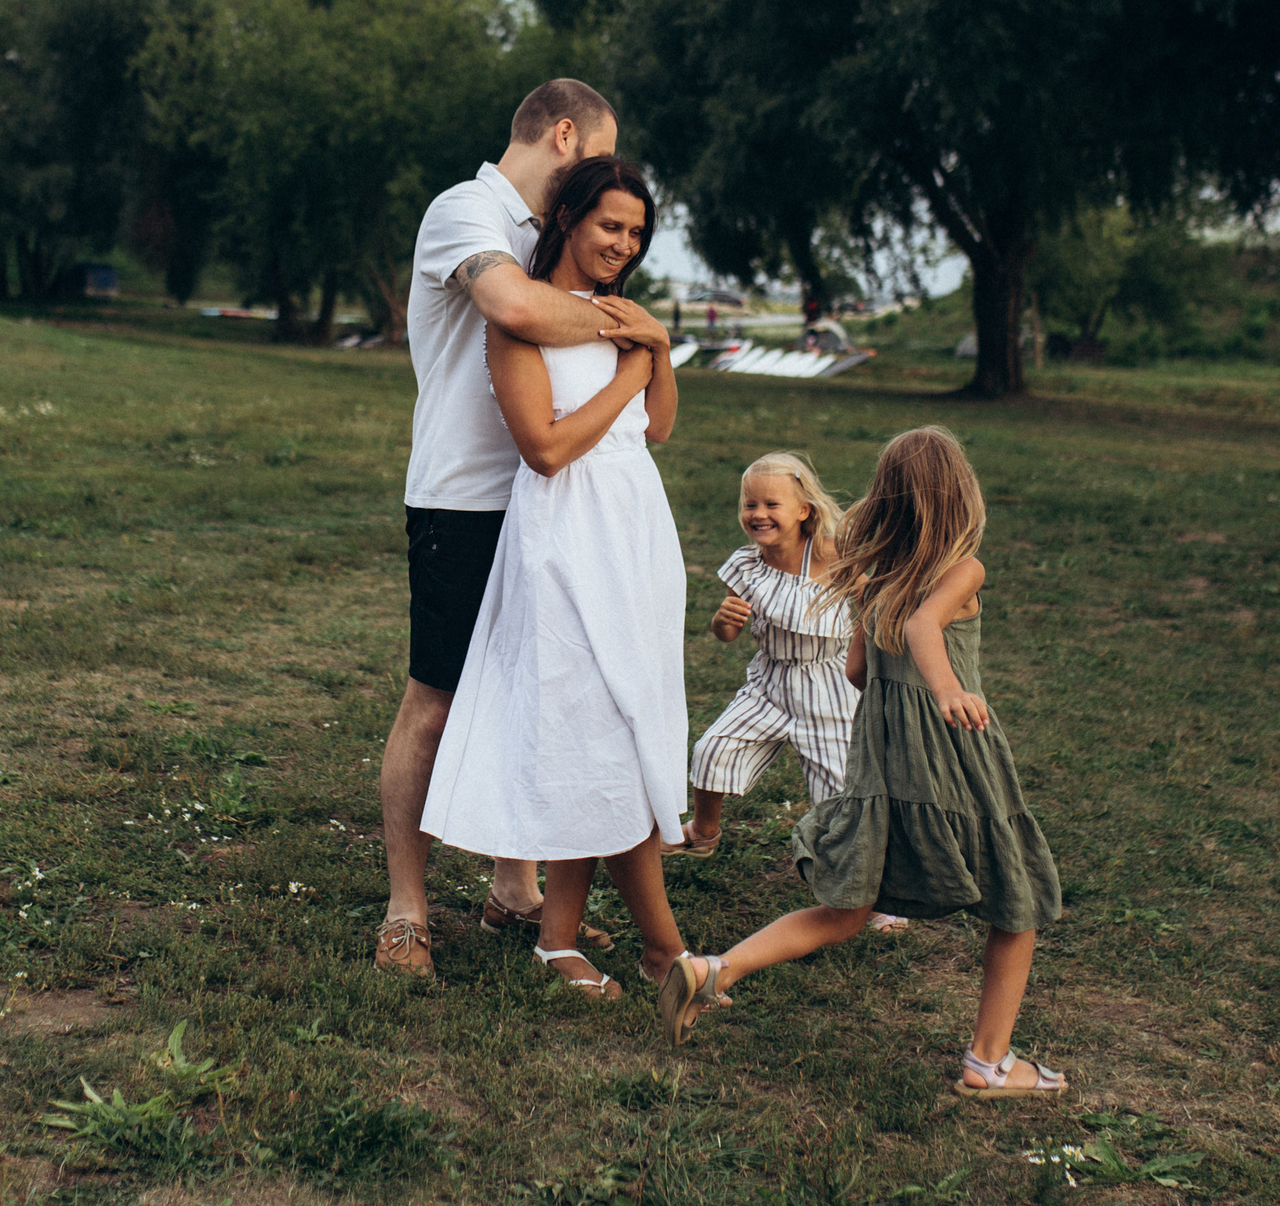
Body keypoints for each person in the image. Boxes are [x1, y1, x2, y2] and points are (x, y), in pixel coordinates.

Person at [659, 427, 1066, 1102]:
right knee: (1016, 899)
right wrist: (945, 690)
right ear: (960, 497)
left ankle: (713, 969)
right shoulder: (963, 567)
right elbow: (922, 629)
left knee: (849, 904)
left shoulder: (872, 578)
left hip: (881, 760)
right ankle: (990, 1061)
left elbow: (854, 669)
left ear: (887, 499)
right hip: (954, 752)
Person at [377, 79, 666, 978]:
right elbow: (518, 309)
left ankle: (515, 888)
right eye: (597, 161)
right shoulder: (465, 210)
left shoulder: (551, 238)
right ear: (566, 136)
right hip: (467, 497)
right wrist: (635, 329)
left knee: (548, 696)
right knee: (439, 699)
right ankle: (406, 910)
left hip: (557, 506)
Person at [672, 452, 909, 929]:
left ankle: (880, 895)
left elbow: (875, 601)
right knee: (713, 749)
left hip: (830, 687)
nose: (758, 513)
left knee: (843, 797)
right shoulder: (746, 566)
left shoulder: (832, 555)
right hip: (771, 682)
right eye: (749, 504)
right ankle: (703, 830)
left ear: (803, 509)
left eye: (771, 504)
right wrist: (723, 624)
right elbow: (727, 633)